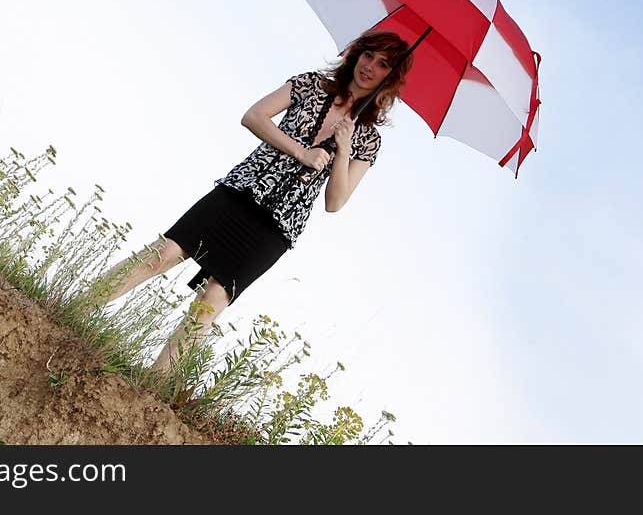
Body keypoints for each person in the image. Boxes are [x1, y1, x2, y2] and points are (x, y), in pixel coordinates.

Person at [86, 29, 413, 372]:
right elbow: (254, 116)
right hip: (240, 190)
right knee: (164, 253)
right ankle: (81, 306)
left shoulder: (368, 140)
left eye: (383, 64)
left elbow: (336, 202)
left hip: (277, 226)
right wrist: (301, 152)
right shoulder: (310, 85)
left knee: (212, 300)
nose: (370, 67)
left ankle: (154, 381)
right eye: (368, 56)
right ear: (356, 54)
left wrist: (344, 150)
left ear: (390, 78)